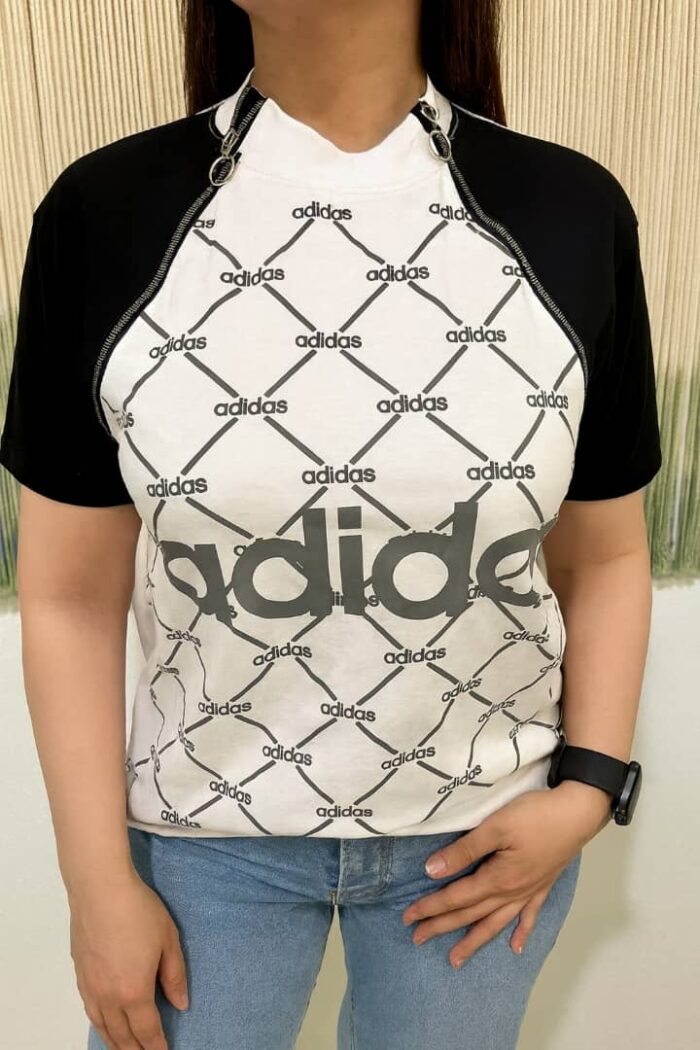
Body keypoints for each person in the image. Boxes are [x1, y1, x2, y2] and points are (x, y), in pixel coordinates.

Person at [0, 1, 663, 1048]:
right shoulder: (107, 213)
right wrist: (96, 886)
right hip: (201, 846)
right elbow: (69, 598)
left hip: (483, 840)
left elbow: (605, 556)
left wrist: (588, 788)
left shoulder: (569, 211)